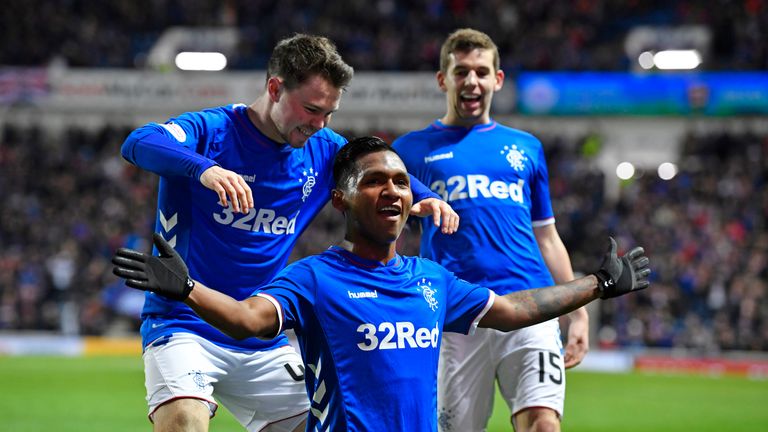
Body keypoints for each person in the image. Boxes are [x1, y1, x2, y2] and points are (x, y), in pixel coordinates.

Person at [112, 136, 650, 432]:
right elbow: (250, 321)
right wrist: (186, 290)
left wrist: (598, 284)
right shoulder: (316, 278)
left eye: (399, 181)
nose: (392, 191)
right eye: (374, 181)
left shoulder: (431, 280)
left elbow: (513, 309)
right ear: (342, 199)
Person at [119, 34, 458, 432]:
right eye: (312, 110)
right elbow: (138, 141)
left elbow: (372, 165)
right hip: (184, 323)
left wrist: (424, 196)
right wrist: (204, 169)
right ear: (275, 88)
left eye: (329, 113)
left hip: (261, 335)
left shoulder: (324, 148)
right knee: (183, 423)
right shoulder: (211, 131)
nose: (319, 125)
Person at [392, 28, 589, 432]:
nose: (471, 81)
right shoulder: (409, 150)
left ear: (497, 80)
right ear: (443, 79)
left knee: (543, 423)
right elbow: (385, 228)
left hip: (532, 302)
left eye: (481, 72)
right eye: (461, 71)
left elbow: (546, 236)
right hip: (457, 311)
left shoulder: (526, 147)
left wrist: (578, 314)